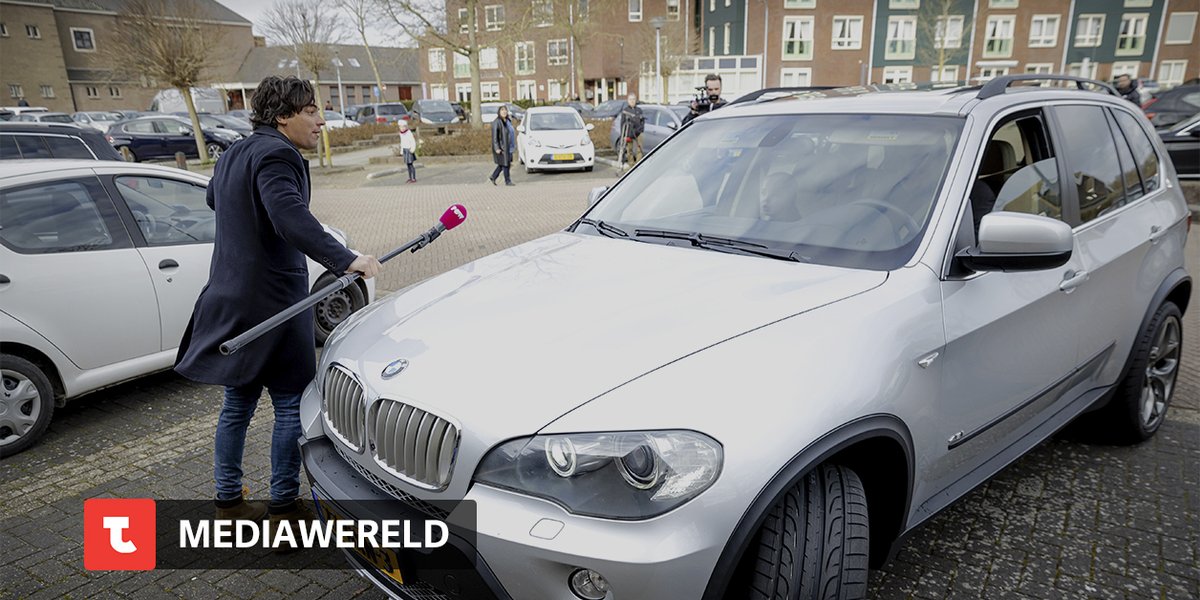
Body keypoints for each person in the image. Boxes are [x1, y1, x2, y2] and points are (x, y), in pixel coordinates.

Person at [174, 75, 382, 524]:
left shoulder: (233, 153)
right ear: (283, 116)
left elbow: (215, 198)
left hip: (230, 295)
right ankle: (284, 507)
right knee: (289, 403)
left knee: (239, 402)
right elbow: (289, 215)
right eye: (311, 111)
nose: (321, 120)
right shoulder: (278, 154)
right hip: (273, 306)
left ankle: (228, 499)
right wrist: (347, 259)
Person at [489, 104, 516, 186]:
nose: (504, 112)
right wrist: (497, 147)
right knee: (506, 164)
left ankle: (493, 176)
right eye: (502, 110)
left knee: (503, 163)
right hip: (502, 147)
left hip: (509, 146)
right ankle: (507, 181)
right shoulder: (497, 122)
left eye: (505, 110)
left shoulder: (508, 121)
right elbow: (494, 137)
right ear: (499, 112)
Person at [618, 93, 645, 166]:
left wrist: (641, 129)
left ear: (636, 100)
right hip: (628, 133)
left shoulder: (639, 110)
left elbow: (642, 121)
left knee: (639, 148)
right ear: (628, 101)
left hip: (638, 132)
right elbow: (622, 123)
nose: (632, 101)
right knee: (629, 149)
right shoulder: (625, 111)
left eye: (633, 99)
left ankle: (638, 163)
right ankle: (631, 164)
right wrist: (623, 135)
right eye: (630, 99)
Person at [399, 119, 417, 183]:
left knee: (411, 165)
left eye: (404, 127)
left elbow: (413, 141)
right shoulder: (401, 134)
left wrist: (412, 149)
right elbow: (402, 143)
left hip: (409, 150)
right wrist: (401, 150)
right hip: (405, 150)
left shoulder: (409, 133)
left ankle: (414, 178)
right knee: (407, 165)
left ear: (406, 127)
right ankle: (410, 177)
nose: (402, 128)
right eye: (401, 127)